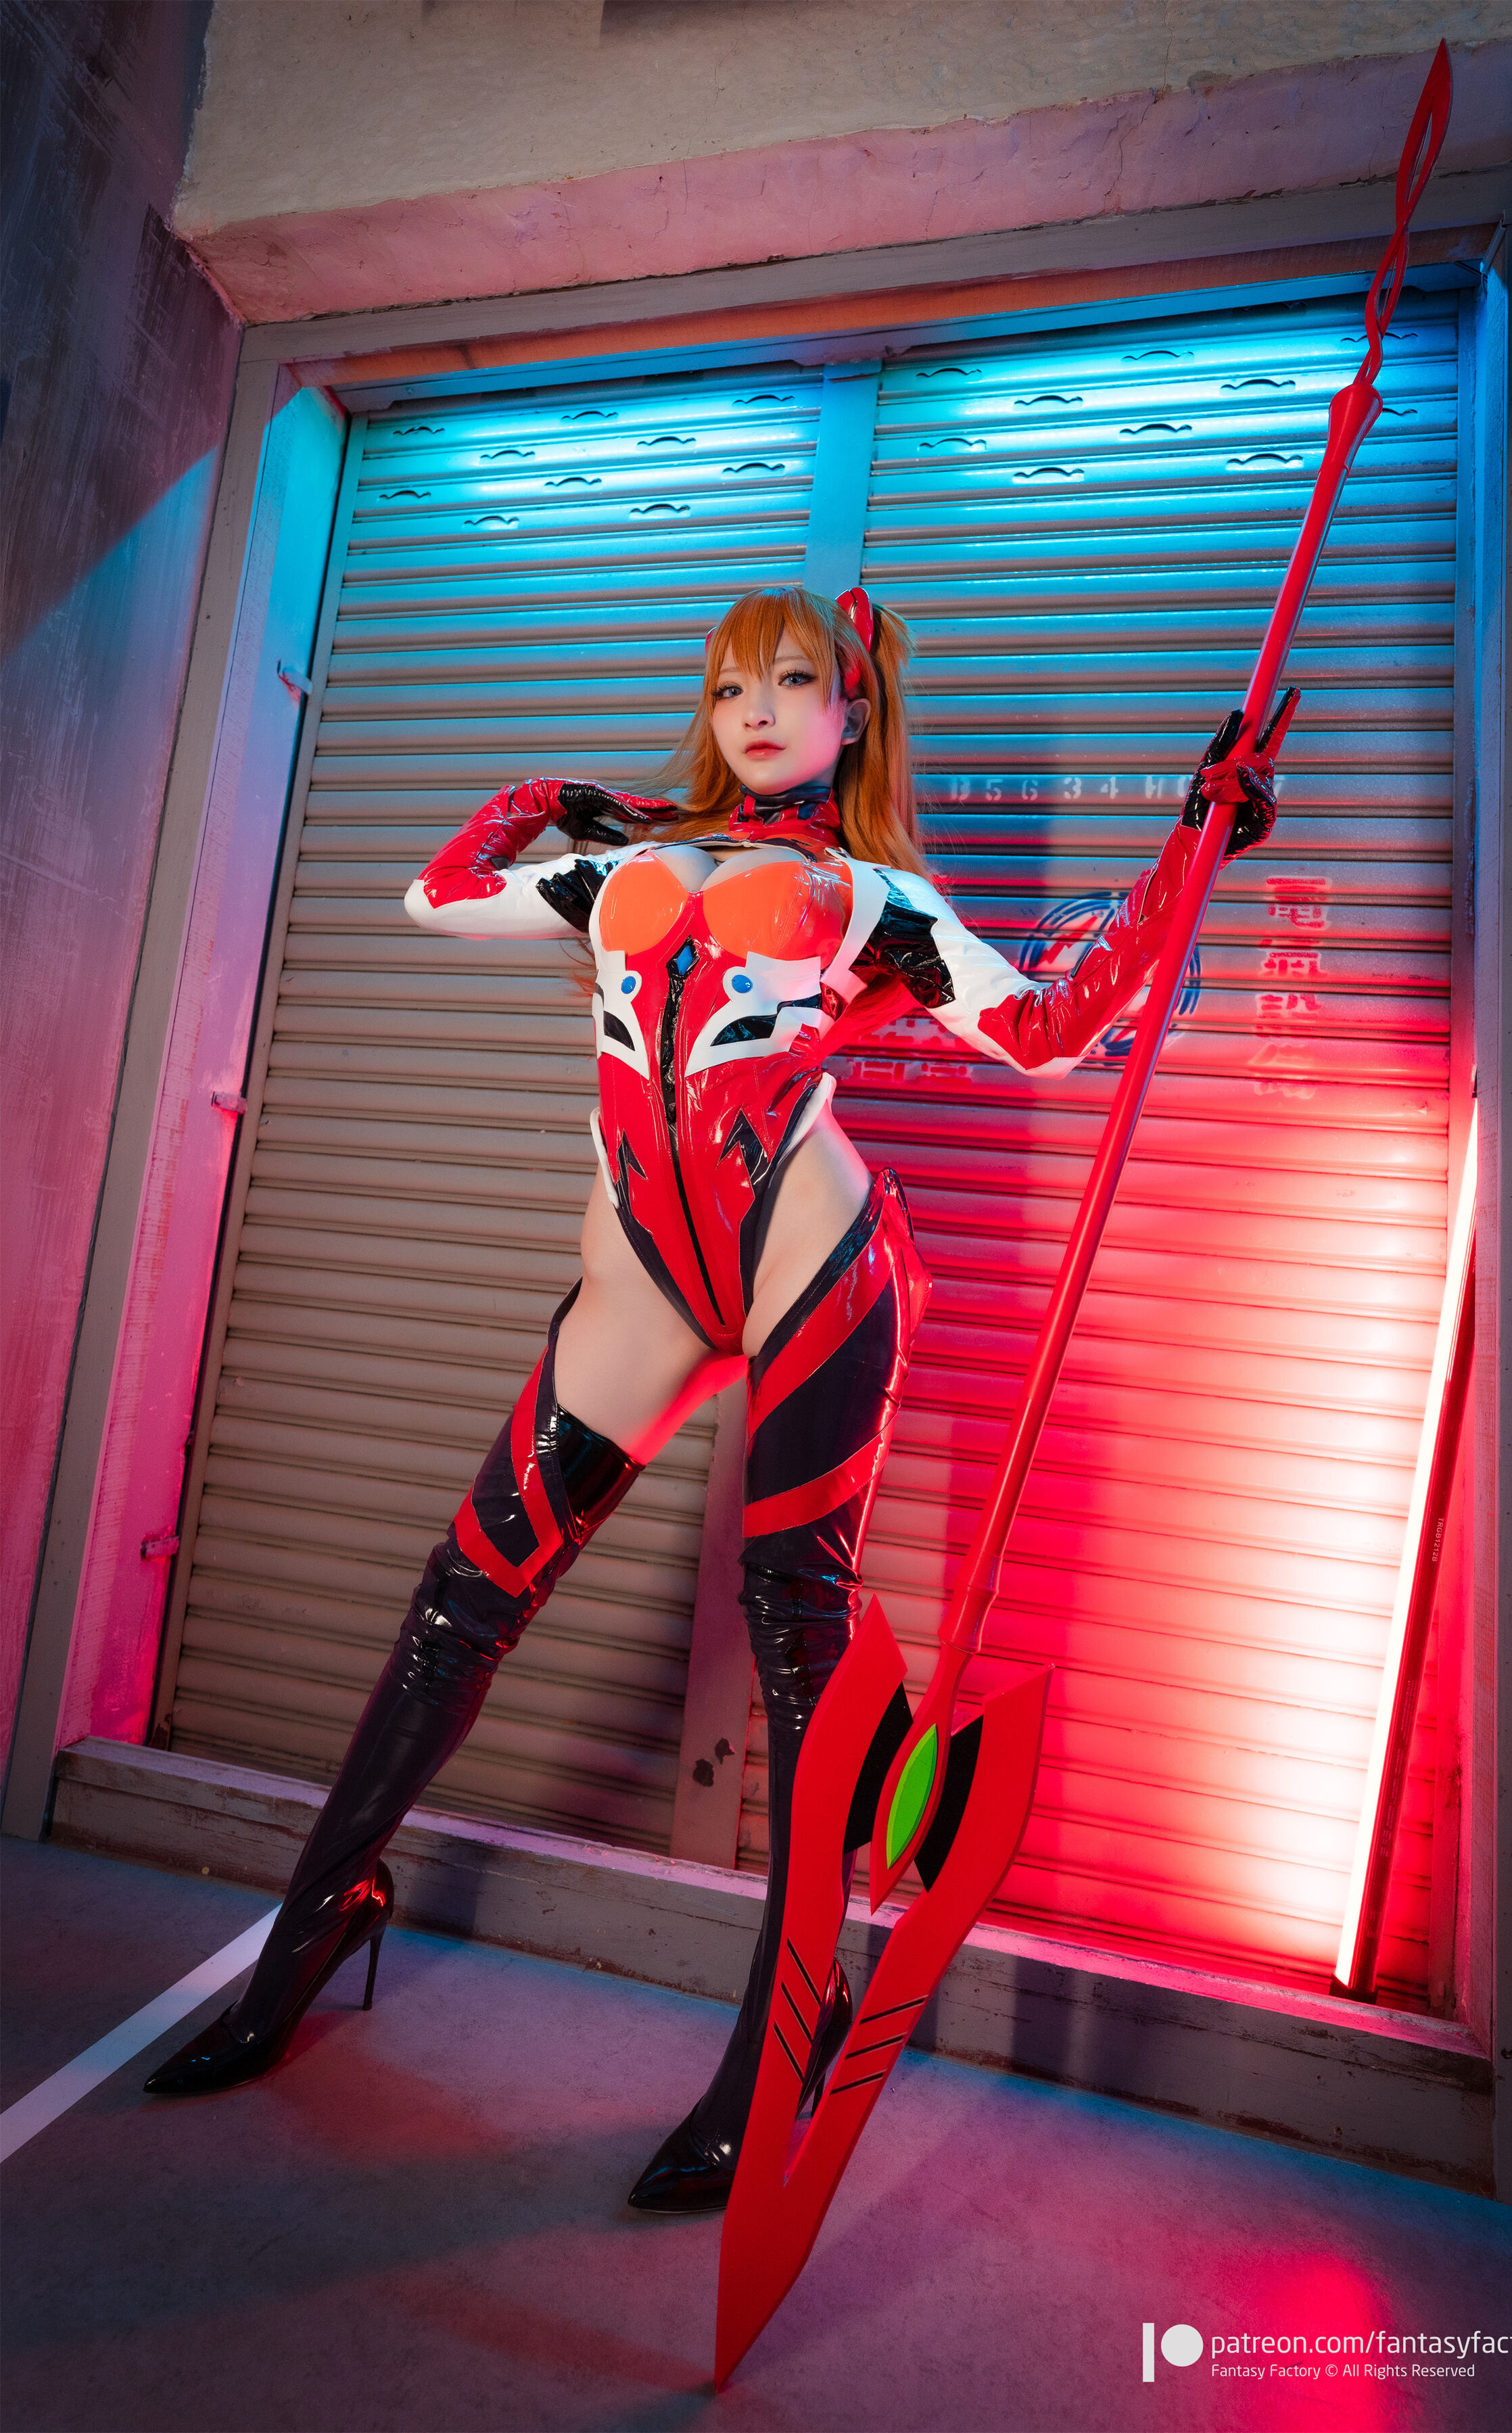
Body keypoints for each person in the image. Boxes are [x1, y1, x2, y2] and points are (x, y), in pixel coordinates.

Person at [145, 584, 1277, 2212]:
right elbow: (431, 894)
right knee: (462, 1597)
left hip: (812, 1262)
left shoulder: (875, 897)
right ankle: (309, 1937)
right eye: (732, 681)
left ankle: (775, 2048)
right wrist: (545, 796)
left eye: (792, 679)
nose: (756, 707)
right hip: (642, 1280)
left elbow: (1044, 1030)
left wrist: (1190, 846)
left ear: (850, 708)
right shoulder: (619, 865)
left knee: (795, 1636)